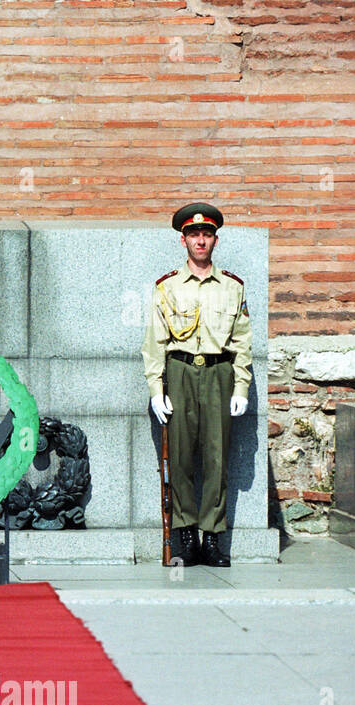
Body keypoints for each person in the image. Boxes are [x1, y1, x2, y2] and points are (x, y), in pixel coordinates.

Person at [143, 202, 251, 568]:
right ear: (183, 241)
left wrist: (240, 389)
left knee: (218, 458)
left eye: (206, 235)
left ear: (215, 241)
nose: (200, 241)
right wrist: (157, 390)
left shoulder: (232, 287)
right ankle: (186, 535)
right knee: (182, 456)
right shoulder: (167, 286)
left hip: (219, 374)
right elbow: (155, 342)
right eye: (193, 235)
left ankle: (214, 537)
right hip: (180, 371)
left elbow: (242, 343)